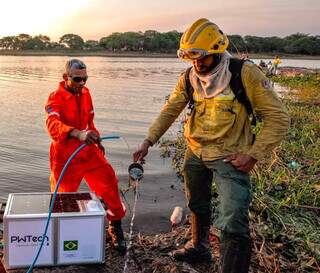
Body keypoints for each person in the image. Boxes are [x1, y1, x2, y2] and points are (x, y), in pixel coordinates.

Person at [133, 19, 290, 272]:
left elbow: (279, 118)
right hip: (195, 152)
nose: (197, 64)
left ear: (217, 51)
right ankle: (199, 247)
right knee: (196, 203)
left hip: (230, 156)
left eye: (203, 58)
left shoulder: (244, 73)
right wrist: (148, 140)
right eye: (192, 58)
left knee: (233, 219)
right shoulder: (189, 77)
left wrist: (253, 155)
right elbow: (170, 109)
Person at [45, 59, 126, 253]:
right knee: (62, 200)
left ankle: (115, 227)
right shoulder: (54, 98)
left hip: (88, 152)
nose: (82, 84)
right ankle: (62, 236)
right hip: (65, 157)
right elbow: (52, 126)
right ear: (66, 77)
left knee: (110, 184)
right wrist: (78, 133)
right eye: (77, 79)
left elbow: (90, 121)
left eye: (85, 79)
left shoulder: (86, 93)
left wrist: (95, 137)